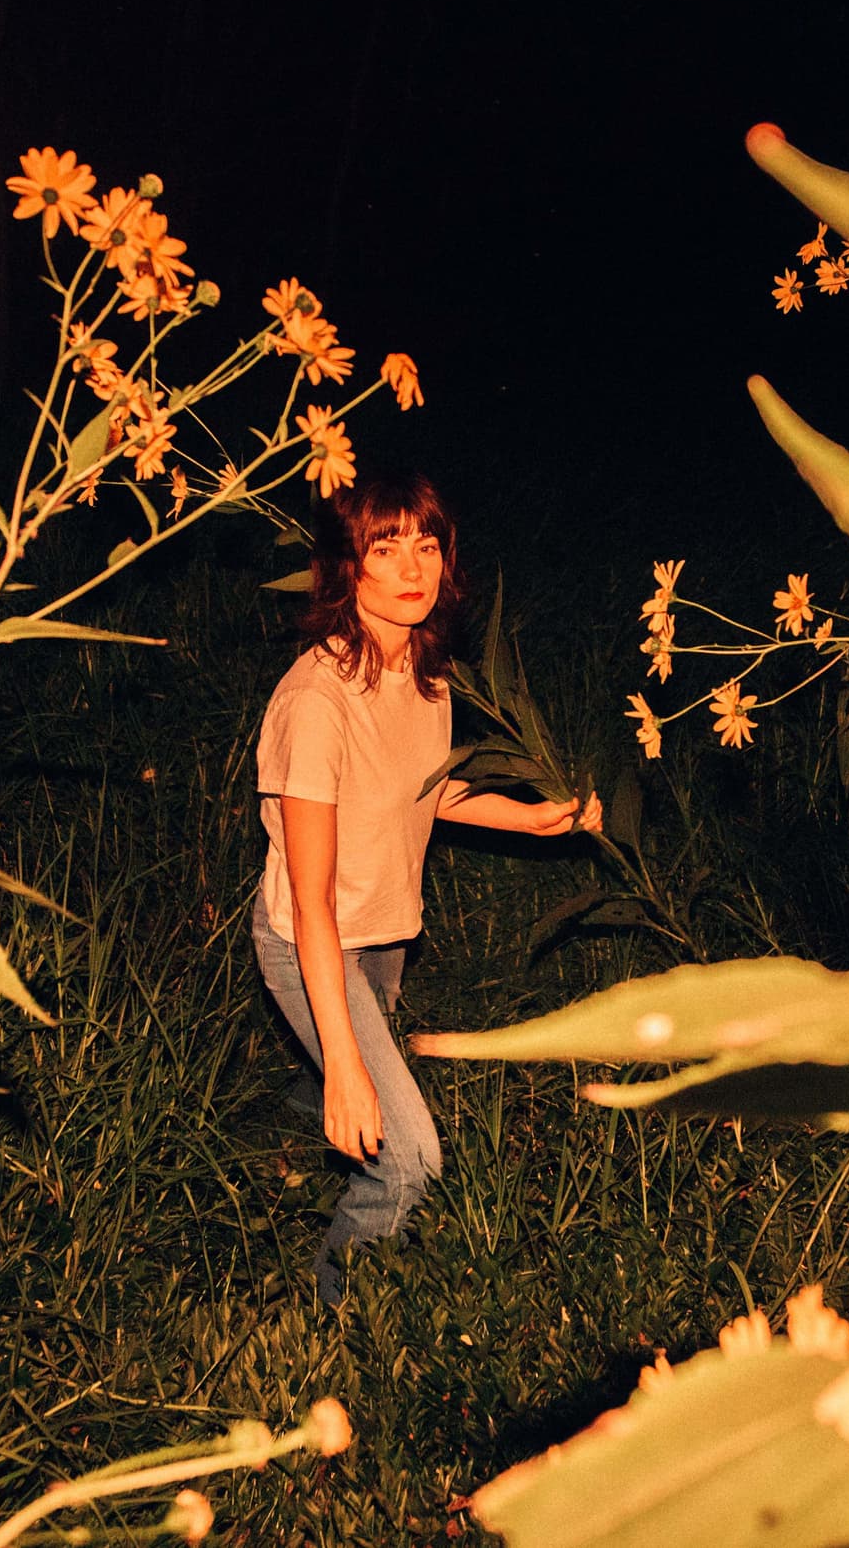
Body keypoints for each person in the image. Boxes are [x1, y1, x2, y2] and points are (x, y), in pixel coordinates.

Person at [251, 472, 598, 1305]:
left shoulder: (424, 672)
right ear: (346, 567)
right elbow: (309, 900)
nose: (413, 566)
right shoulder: (314, 704)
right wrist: (343, 1059)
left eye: (427, 544)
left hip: (383, 927)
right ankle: (321, 1307)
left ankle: (295, 1112)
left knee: (348, 1066)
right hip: (311, 938)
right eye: (385, 545)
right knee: (408, 1157)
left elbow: (422, 786)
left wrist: (528, 820)